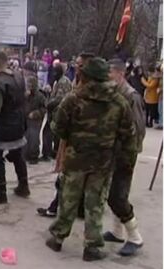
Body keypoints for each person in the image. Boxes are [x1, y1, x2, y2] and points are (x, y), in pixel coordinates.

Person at [45, 58, 136, 261]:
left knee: (68, 198)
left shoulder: (73, 98)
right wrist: (125, 158)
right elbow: (128, 134)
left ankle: (57, 238)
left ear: (86, 76)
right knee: (95, 203)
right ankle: (92, 247)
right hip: (103, 161)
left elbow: (57, 127)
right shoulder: (119, 101)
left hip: (76, 158)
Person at [37, 52, 95, 218]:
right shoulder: (78, 84)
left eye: (80, 65)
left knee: (68, 179)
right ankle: (59, 208)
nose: (76, 67)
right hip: (73, 141)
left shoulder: (88, 91)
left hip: (82, 145)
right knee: (67, 178)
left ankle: (64, 215)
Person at [101, 58, 146, 257]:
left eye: (110, 73)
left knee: (118, 196)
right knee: (112, 192)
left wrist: (128, 152)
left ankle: (135, 237)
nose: (107, 77)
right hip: (114, 151)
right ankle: (117, 232)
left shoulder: (131, 96)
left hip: (125, 154)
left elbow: (138, 128)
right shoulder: (115, 93)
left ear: (120, 74)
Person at [0, 51, 29, 205]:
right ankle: (24, 186)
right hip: (19, 123)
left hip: (3, 127)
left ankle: (0, 193)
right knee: (17, 155)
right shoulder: (18, 76)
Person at [41, 63, 72, 161]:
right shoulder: (58, 81)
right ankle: (53, 152)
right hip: (56, 110)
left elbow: (60, 98)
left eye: (55, 72)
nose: (53, 74)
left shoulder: (63, 82)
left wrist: (48, 104)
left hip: (57, 110)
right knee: (54, 133)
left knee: (48, 132)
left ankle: (48, 153)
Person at [23, 61, 46, 165]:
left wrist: (36, 113)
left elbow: (44, 108)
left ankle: (33, 156)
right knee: (25, 137)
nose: (29, 86)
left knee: (34, 138)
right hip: (26, 120)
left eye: (30, 84)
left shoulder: (40, 96)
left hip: (35, 120)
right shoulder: (25, 95)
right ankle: (24, 155)